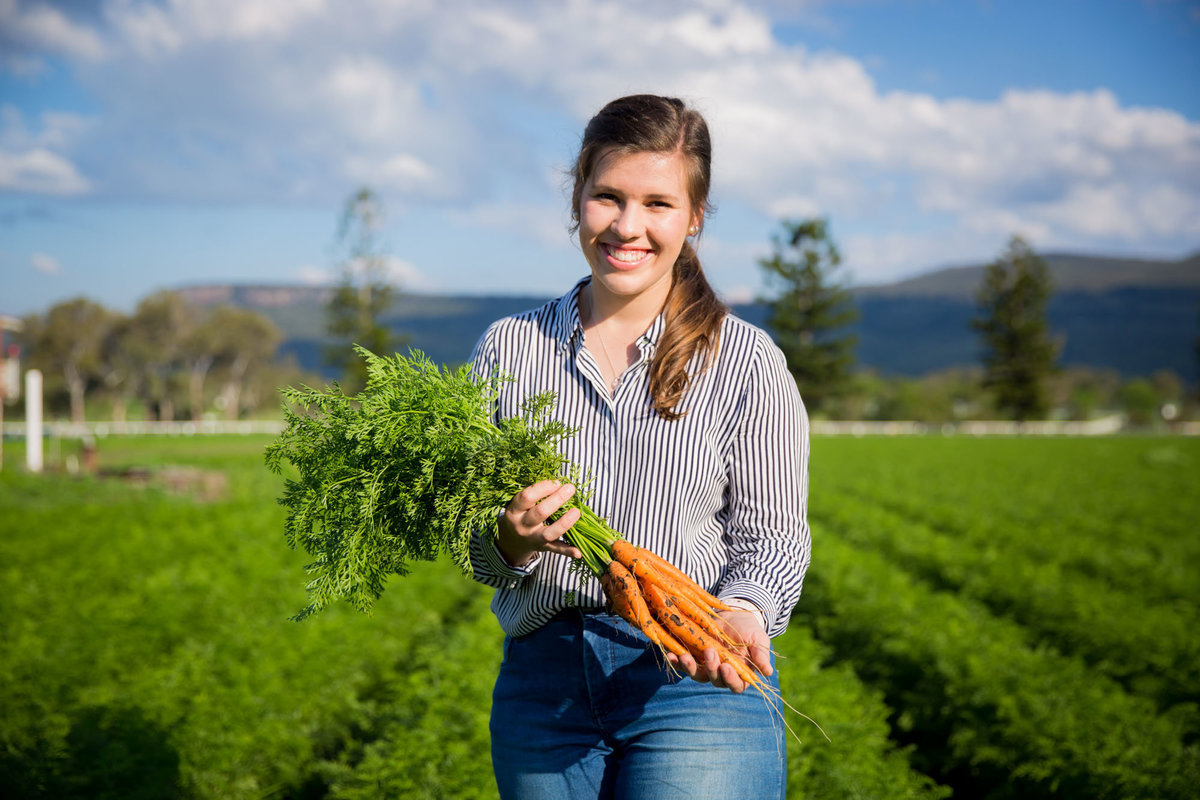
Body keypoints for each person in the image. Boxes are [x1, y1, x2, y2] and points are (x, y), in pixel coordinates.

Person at [467, 94, 811, 800]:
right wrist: (509, 538)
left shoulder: (745, 361)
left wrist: (742, 612)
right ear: (578, 201)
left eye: (658, 203)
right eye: (608, 198)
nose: (628, 226)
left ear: (694, 218)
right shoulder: (509, 350)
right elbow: (473, 551)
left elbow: (773, 535)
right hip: (544, 680)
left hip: (696, 669)